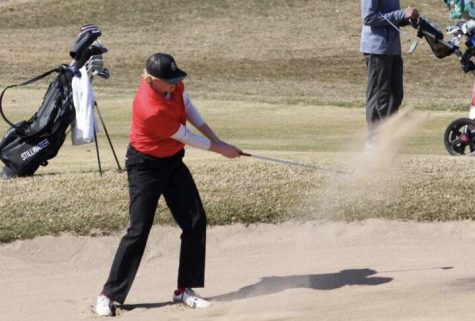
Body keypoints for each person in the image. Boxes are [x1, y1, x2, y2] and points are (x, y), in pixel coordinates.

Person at [95, 52, 242, 316]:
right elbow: (186, 136)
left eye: (176, 78)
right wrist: (221, 150)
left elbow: (189, 108)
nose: (175, 83)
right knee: (139, 230)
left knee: (195, 221)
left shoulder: (174, 86)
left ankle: (184, 289)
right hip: (145, 167)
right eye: (169, 80)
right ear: (152, 80)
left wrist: (219, 140)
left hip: (172, 161)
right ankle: (108, 295)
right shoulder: (149, 108)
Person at [360, 0, 419, 147]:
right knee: (380, 96)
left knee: (396, 94)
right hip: (376, 48)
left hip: (392, 48)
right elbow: (368, 17)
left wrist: (408, 18)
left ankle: (387, 136)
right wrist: (401, 13)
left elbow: (390, 19)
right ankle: (373, 142)